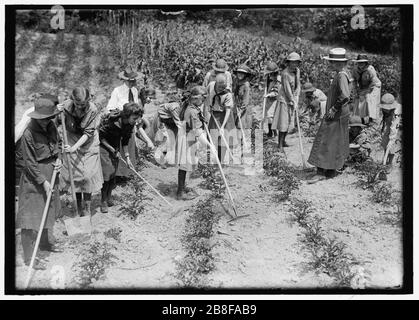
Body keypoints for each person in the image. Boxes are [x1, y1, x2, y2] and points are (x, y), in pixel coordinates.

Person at [17, 97, 64, 270]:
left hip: (52, 171)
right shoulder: (28, 133)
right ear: (36, 117)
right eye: (43, 119)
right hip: (34, 177)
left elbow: (58, 145)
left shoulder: (51, 126)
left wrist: (59, 159)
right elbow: (29, 162)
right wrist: (42, 181)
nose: (46, 122)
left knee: (49, 209)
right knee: (29, 216)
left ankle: (45, 243)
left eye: (49, 118)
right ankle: (29, 257)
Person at [308, 48, 353, 183]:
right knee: (336, 141)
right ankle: (331, 170)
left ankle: (321, 171)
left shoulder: (341, 76)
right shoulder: (344, 73)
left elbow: (345, 95)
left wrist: (334, 108)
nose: (330, 64)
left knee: (325, 140)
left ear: (337, 62)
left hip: (336, 114)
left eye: (331, 62)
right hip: (341, 114)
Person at [59, 87, 103, 216]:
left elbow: (88, 132)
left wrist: (75, 148)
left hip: (88, 142)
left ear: (88, 101)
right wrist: (57, 112)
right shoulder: (66, 106)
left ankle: (87, 208)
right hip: (72, 138)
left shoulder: (93, 109)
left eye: (82, 104)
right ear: (72, 100)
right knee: (76, 176)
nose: (79, 107)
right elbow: (56, 122)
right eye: (77, 104)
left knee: (87, 176)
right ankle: (78, 207)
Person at [107, 67, 154, 180]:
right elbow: (110, 108)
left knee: (130, 145)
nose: (132, 82)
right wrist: (121, 114)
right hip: (120, 123)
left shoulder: (134, 91)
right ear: (125, 80)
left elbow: (136, 107)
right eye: (130, 80)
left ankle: (127, 173)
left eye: (134, 80)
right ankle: (117, 175)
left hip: (131, 123)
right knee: (120, 147)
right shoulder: (117, 91)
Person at [98, 102, 142, 213]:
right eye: (134, 118)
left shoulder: (130, 124)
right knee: (107, 173)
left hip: (115, 147)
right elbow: (101, 138)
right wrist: (112, 150)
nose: (136, 121)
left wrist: (127, 157)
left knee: (113, 173)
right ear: (127, 116)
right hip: (104, 147)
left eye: (137, 118)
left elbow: (125, 141)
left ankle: (109, 197)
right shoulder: (112, 121)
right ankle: (103, 200)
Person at [177, 86, 216, 200]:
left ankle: (182, 188)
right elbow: (197, 132)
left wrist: (202, 119)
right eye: (202, 100)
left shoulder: (193, 107)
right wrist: (209, 146)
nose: (203, 102)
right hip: (187, 139)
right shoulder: (192, 111)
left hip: (188, 137)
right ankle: (180, 192)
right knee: (184, 165)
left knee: (185, 164)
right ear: (196, 98)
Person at [273, 52, 302, 151]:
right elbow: (287, 89)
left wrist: (297, 96)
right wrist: (292, 99)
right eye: (292, 62)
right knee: (283, 122)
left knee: (289, 121)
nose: (294, 64)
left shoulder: (297, 71)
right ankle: (280, 144)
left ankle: (284, 141)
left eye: (296, 62)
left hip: (292, 98)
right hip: (284, 99)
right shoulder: (285, 73)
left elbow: (298, 84)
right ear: (288, 63)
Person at [205, 73, 236, 163]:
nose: (221, 89)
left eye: (223, 87)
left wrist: (222, 126)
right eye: (219, 87)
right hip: (214, 115)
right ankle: (211, 159)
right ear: (216, 83)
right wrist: (209, 106)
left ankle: (220, 160)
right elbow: (205, 95)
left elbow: (228, 111)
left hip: (225, 116)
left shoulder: (227, 94)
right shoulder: (211, 85)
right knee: (213, 136)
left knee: (224, 138)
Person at [352, 54, 381, 123]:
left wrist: (367, 91)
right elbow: (354, 80)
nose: (360, 64)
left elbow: (373, 81)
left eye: (362, 62)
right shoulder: (355, 69)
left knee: (369, 99)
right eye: (359, 62)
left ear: (365, 63)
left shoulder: (370, 69)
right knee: (357, 100)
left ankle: (372, 120)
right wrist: (355, 90)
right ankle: (360, 120)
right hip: (363, 86)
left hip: (374, 86)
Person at [379, 93, 402, 166]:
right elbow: (385, 122)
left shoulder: (396, 113)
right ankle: (385, 160)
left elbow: (394, 130)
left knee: (391, 145)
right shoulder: (385, 110)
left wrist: (391, 140)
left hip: (395, 126)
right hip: (389, 124)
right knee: (385, 141)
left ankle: (390, 163)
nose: (384, 109)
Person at [233, 64, 252, 129]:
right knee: (236, 126)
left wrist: (241, 111)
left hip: (244, 109)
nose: (240, 75)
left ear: (245, 75)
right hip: (237, 106)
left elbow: (246, 100)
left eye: (242, 73)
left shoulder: (246, 85)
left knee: (243, 126)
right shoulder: (236, 81)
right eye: (239, 73)